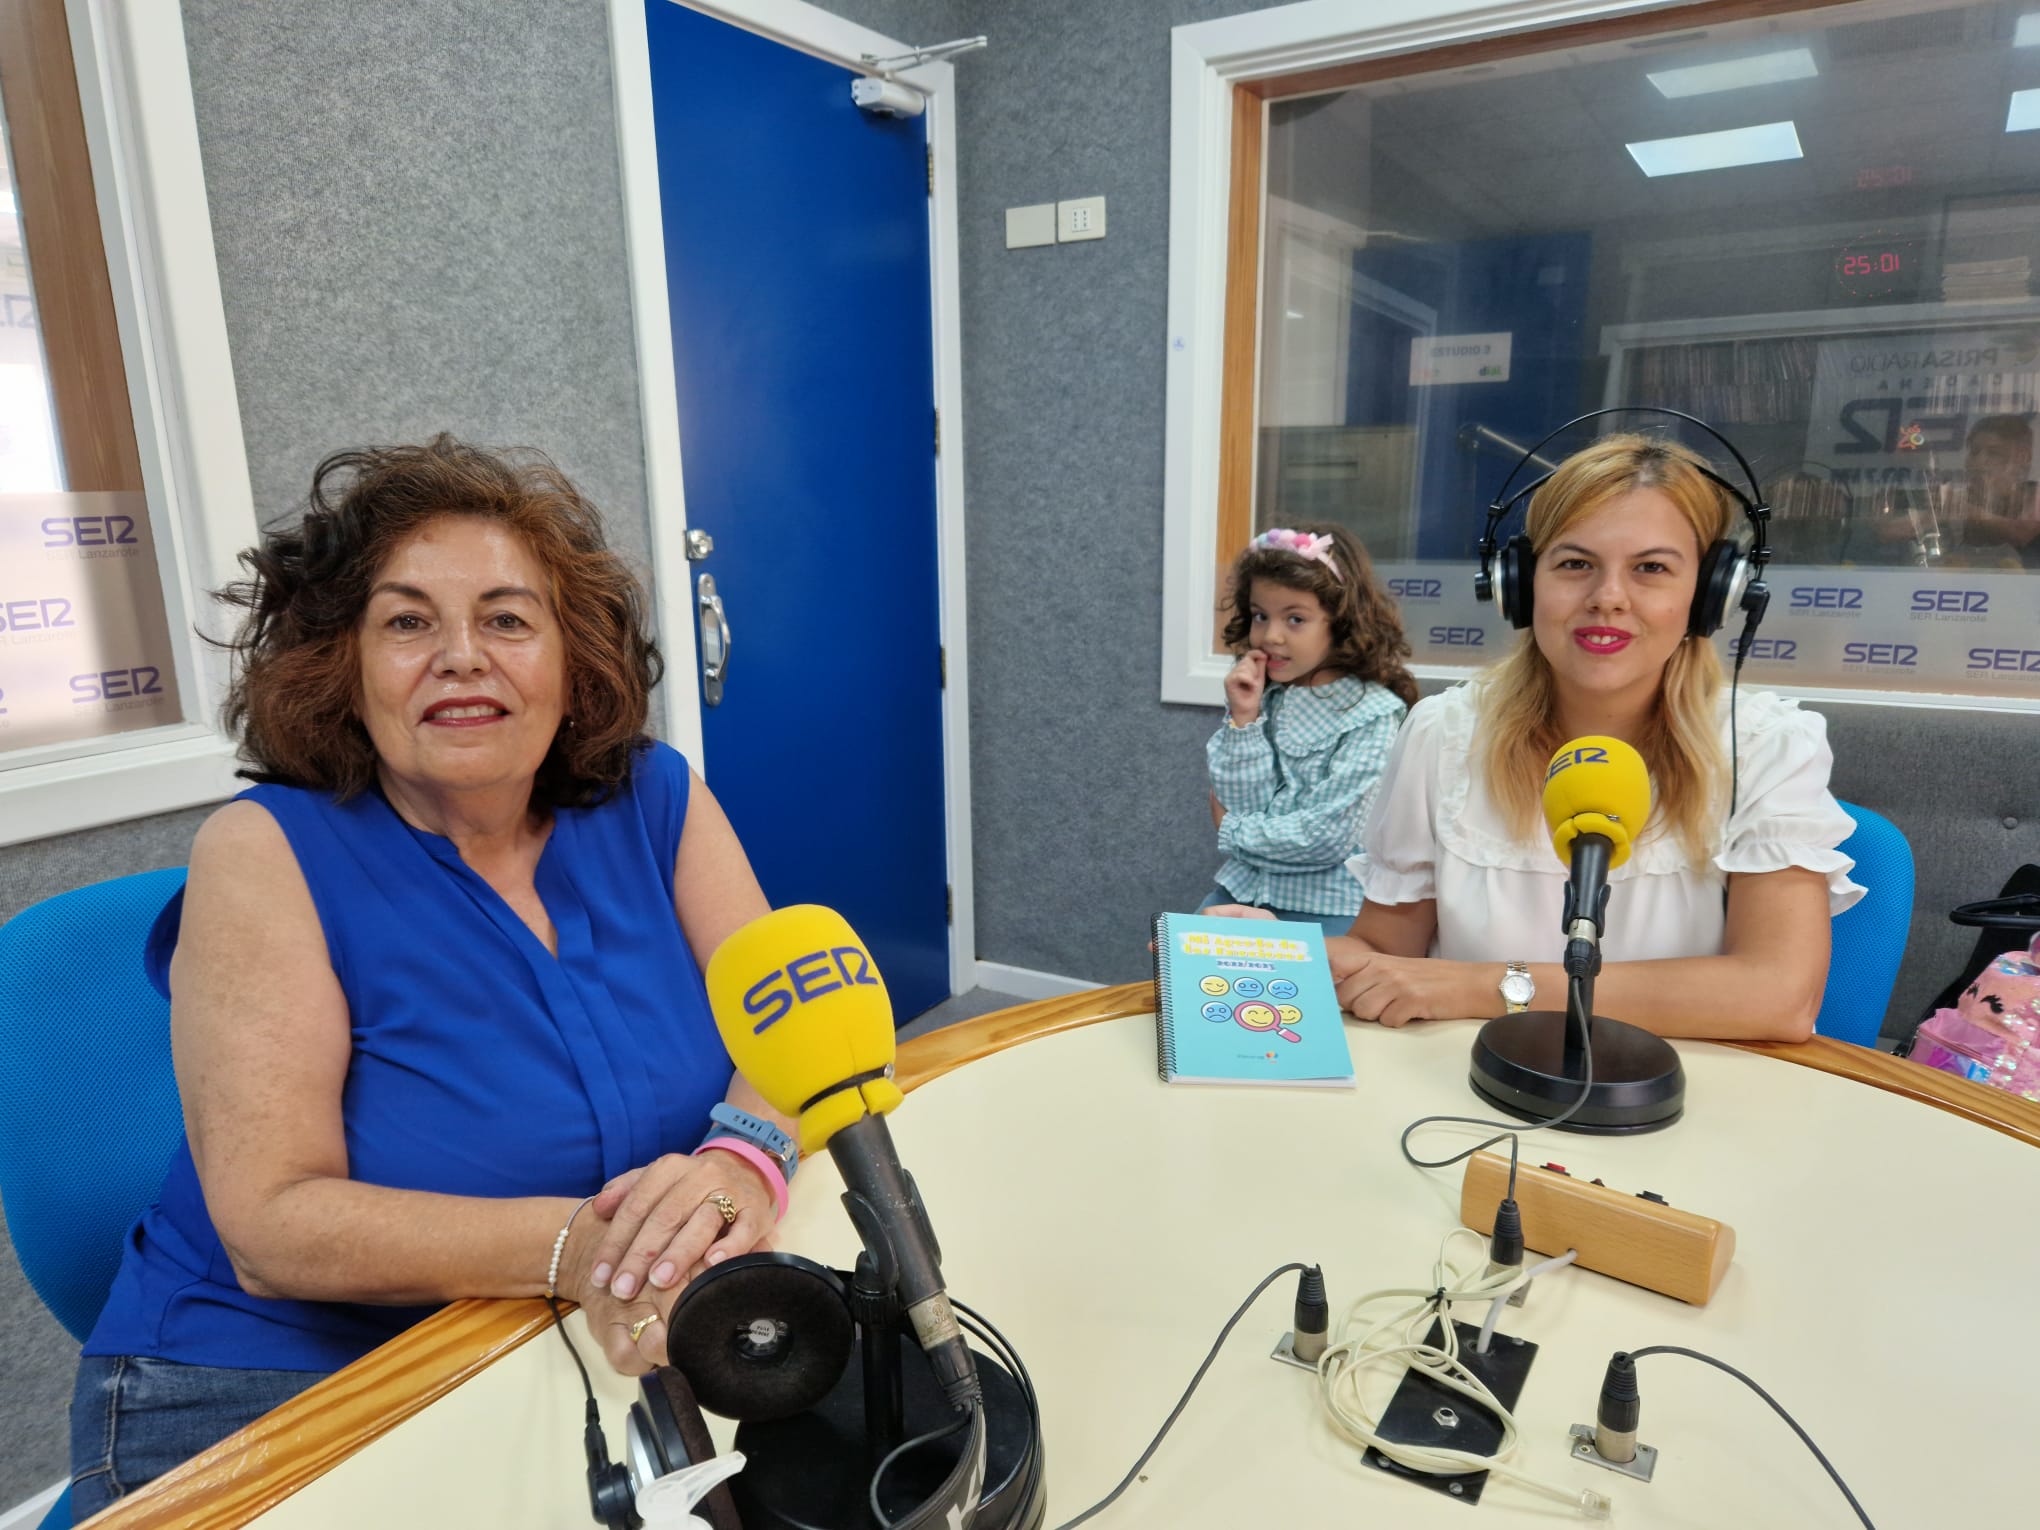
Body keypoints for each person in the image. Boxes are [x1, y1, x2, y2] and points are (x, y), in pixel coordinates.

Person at [69, 437, 792, 1517]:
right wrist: (580, 1250)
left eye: (507, 618)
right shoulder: (265, 853)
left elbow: (791, 1034)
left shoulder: (658, 800)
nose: (462, 655)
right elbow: (271, 1226)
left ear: (569, 657)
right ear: (343, 664)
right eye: (408, 622)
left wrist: (745, 1164)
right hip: (275, 1383)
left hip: (576, 1344)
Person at [1211, 436, 1862, 1039]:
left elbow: (1780, 996)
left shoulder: (1766, 746)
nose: (1608, 597)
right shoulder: (1444, 734)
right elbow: (1385, 953)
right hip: (1462, 1092)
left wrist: (1487, 986)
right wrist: (1285, 953)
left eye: (1652, 569)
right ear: (1519, 585)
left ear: (1710, 593)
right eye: (1575, 563)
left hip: (1668, 1104)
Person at [1201, 524, 1416, 935]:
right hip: (1241, 892)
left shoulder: (1372, 715)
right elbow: (1240, 799)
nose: (1271, 635)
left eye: (1295, 618)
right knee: (1184, 979)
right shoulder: (1264, 696)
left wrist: (1233, 830)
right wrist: (1244, 717)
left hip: (1325, 909)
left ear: (1341, 622)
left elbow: (1327, 837)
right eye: (1261, 615)